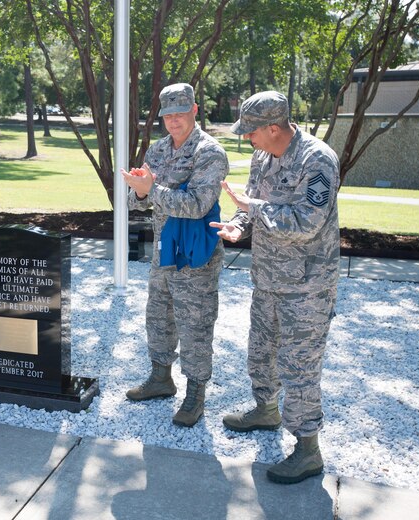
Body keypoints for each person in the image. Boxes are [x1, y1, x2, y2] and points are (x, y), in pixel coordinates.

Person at [210, 91, 340, 484]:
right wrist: (239, 223)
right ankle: (266, 409)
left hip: (306, 286)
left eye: (251, 131)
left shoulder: (317, 159)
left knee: (299, 366)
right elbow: (252, 203)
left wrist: (254, 210)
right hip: (266, 278)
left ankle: (307, 449)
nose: (247, 138)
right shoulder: (262, 156)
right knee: (261, 351)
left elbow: (307, 223)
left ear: (273, 127)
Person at [121, 83, 228, 427]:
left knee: (195, 323)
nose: (174, 120)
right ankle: (160, 378)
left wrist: (152, 190)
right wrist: (139, 193)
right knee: (159, 315)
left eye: (181, 113)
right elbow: (131, 201)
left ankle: (195, 393)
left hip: (196, 255)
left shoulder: (209, 153)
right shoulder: (157, 151)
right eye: (168, 114)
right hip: (164, 251)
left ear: (195, 111)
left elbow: (197, 205)